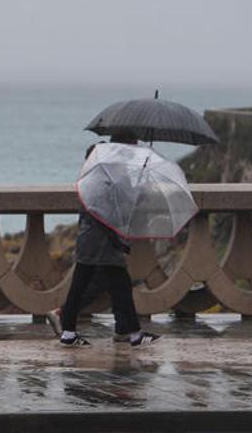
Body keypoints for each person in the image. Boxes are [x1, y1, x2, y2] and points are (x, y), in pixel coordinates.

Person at [57, 132, 161, 347]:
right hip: (103, 242)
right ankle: (134, 334)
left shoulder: (91, 179)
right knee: (119, 287)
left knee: (84, 284)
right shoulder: (103, 181)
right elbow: (115, 208)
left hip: (91, 241)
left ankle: (69, 331)